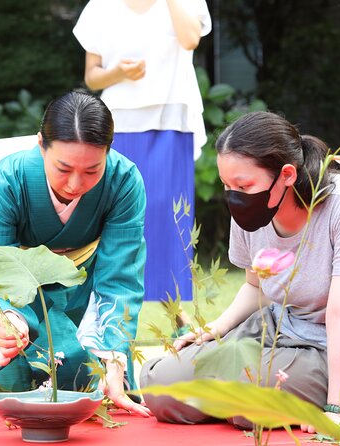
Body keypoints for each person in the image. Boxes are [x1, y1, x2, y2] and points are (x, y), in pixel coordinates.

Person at [139, 111, 340, 430]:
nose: (233, 196)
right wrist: (215, 329)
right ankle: (240, 397)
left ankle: (243, 398)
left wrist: (338, 407)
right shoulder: (249, 211)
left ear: (287, 175)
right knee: (159, 383)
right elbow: (257, 287)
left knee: (247, 395)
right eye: (227, 185)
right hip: (280, 330)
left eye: (243, 184)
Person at [0, 91, 151, 417]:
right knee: (14, 389)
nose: (75, 184)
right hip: (16, 292)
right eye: (63, 167)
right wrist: (7, 320)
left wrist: (114, 353)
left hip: (84, 285)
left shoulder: (124, 180)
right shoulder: (3, 184)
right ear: (41, 144)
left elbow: (121, 274)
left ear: (108, 153)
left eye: (92, 170)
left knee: (101, 379)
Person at [72, 0, 211, 310]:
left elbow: (190, 39)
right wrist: (118, 73)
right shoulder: (100, 7)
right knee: (115, 215)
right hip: (118, 121)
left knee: (170, 216)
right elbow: (92, 77)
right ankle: (108, 310)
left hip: (171, 118)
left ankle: (175, 313)